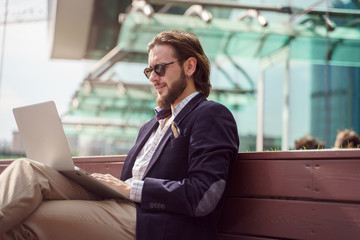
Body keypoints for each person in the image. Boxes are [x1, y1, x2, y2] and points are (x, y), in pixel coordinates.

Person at [0, 30, 239, 240]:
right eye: (149, 70)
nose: (153, 78)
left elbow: (203, 196)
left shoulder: (211, 115)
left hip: (153, 221)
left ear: (189, 66)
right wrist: (97, 182)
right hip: (119, 202)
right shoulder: (150, 127)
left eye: (160, 68)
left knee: (31, 216)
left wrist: (133, 189)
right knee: (27, 169)